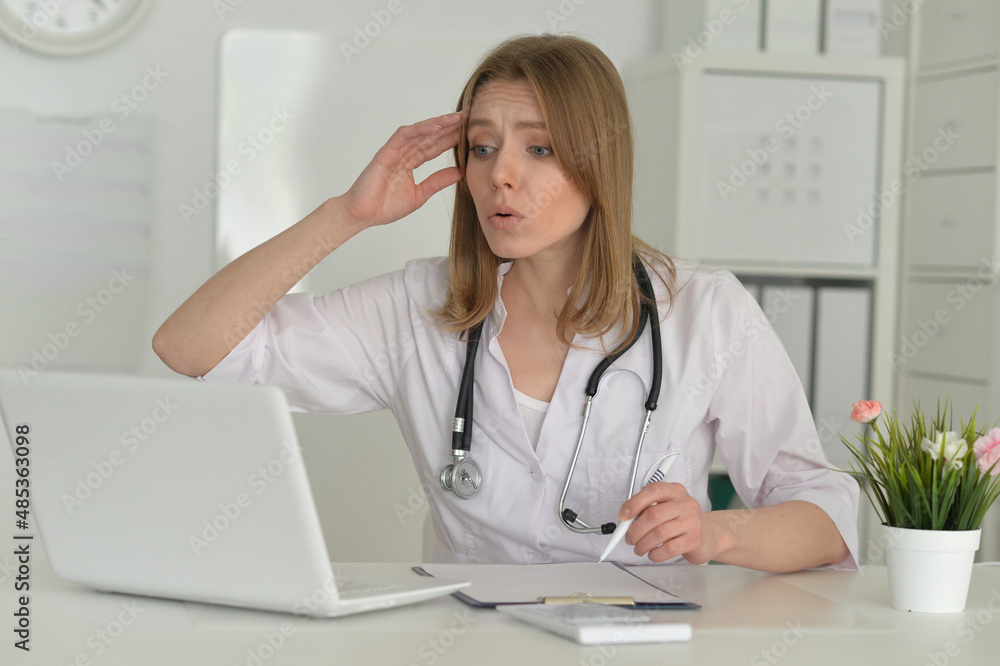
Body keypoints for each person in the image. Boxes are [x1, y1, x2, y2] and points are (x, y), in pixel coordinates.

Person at [153, 34, 858, 572]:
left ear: (598, 162)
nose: (502, 176)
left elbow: (827, 512)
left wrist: (718, 531)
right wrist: (349, 213)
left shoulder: (706, 311)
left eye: (541, 149)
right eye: (483, 148)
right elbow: (191, 347)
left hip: (640, 644)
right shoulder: (416, 308)